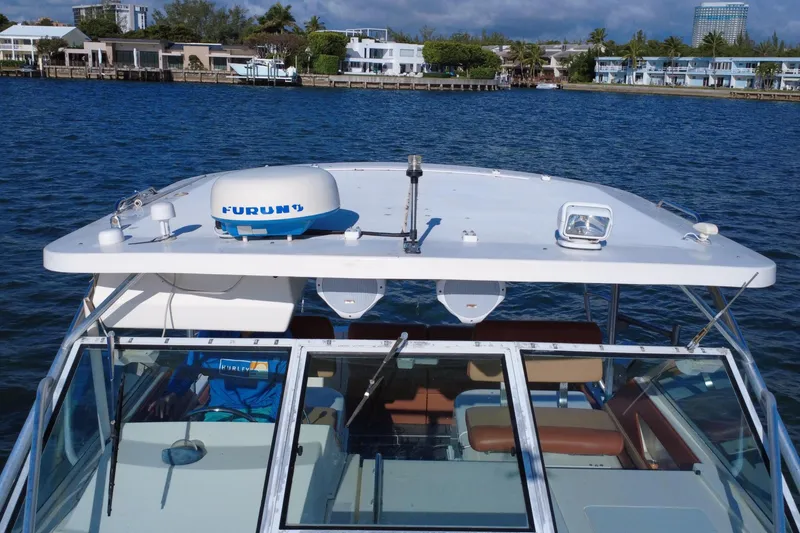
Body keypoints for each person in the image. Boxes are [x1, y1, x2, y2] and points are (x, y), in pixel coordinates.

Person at [149, 331, 288, 422]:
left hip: (263, 410)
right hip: (218, 408)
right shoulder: (211, 334)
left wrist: (274, 421)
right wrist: (172, 393)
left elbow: (284, 385)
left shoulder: (280, 338)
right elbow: (190, 367)